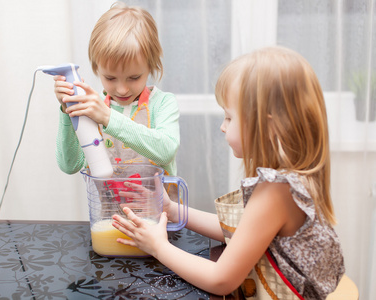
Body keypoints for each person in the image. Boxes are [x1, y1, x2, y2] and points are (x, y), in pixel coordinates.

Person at [112, 46, 345, 299]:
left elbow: (220, 279)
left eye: (229, 118)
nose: (223, 127)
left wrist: (158, 247)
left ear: (267, 125)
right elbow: (240, 230)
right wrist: (173, 210)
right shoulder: (289, 180)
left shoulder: (277, 191)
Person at [53, 2, 179, 178]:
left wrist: (107, 117)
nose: (122, 89)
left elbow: (166, 151)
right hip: (108, 207)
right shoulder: (92, 108)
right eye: (110, 78)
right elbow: (70, 165)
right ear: (97, 69)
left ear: (151, 66)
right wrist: (68, 111)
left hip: (159, 206)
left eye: (134, 77)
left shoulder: (163, 103)